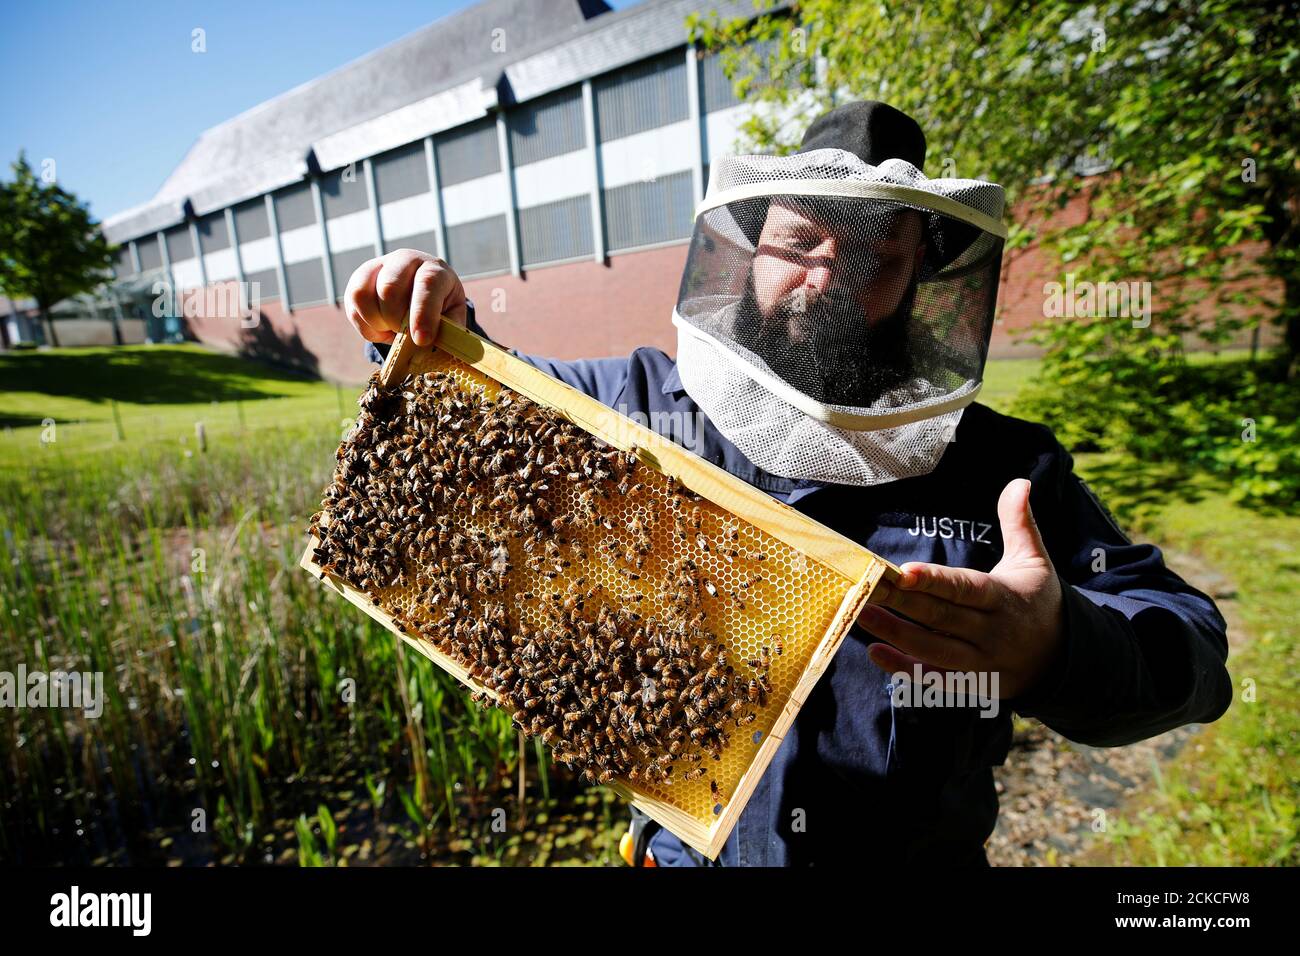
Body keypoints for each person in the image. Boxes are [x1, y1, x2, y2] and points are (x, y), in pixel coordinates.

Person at [343, 101, 1232, 867]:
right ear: (750, 244)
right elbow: (495, 409)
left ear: (920, 276)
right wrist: (429, 331)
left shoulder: (1003, 470)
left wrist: (1057, 646)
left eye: (872, 259)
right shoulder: (645, 405)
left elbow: (1191, 648)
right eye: (800, 241)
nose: (823, 282)